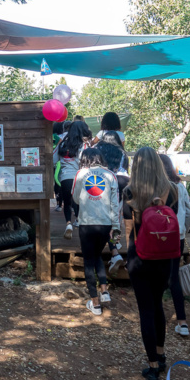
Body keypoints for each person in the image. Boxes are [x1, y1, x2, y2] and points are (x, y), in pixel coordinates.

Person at [122, 147, 179, 380]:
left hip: (139, 256)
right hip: (165, 257)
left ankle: (153, 367)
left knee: (145, 309)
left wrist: (127, 255)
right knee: (158, 305)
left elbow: (128, 231)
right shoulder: (172, 191)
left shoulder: (130, 191)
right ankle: (162, 352)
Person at [72, 148, 120, 315]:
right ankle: (105, 291)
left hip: (86, 223)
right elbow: (115, 203)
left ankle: (95, 303)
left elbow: (76, 198)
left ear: (84, 159)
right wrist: (116, 227)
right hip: (105, 224)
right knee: (98, 255)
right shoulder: (111, 175)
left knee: (88, 261)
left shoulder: (80, 174)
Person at [159, 154, 190, 337]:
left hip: (157, 237)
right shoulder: (180, 187)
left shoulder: (156, 188)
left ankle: (156, 319)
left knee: (156, 276)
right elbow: (189, 212)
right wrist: (183, 230)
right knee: (174, 278)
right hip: (176, 237)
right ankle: (182, 322)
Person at [53, 121, 92, 239]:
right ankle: (79, 221)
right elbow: (85, 163)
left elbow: (54, 160)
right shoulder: (83, 145)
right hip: (79, 178)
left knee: (67, 203)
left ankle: (68, 224)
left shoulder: (62, 143)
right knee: (80, 202)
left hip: (65, 179)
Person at [96, 140, 128, 274]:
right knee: (115, 219)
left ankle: (112, 251)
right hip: (120, 181)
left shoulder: (100, 175)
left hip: (105, 184)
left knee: (104, 219)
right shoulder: (121, 154)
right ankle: (114, 251)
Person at [52, 123, 65, 212]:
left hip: (55, 162)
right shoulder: (57, 136)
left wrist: (54, 149)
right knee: (58, 181)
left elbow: (60, 141)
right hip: (58, 162)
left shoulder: (53, 135)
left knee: (57, 182)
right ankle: (61, 202)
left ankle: (58, 203)